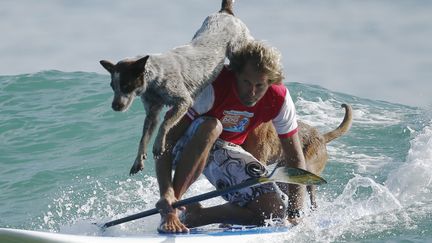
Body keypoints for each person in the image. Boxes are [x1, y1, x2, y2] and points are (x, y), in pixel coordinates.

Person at [155, 40, 307, 233]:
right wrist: (166, 192)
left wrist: (295, 212)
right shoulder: (212, 86)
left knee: (273, 212)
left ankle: (197, 216)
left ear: (270, 81)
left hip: (221, 150)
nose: (252, 92)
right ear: (235, 73)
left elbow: (294, 158)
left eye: (259, 85)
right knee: (212, 126)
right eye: (246, 82)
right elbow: (166, 139)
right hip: (184, 144)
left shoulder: (279, 98)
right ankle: (171, 211)